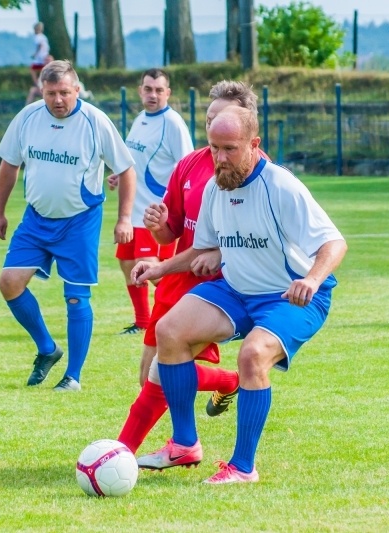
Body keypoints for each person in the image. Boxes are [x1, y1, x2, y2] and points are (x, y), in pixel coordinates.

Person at [132, 106, 347, 484]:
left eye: (230, 148)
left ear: (254, 144)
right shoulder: (216, 188)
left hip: (291, 295)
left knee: (252, 355)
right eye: (214, 148)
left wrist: (311, 280)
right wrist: (160, 267)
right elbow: (203, 249)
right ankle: (184, 445)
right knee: (169, 331)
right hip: (238, 288)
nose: (220, 158)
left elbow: (334, 242)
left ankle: (243, 467)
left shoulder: (281, 186)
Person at [117, 81, 263, 458]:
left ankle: (122, 453)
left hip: (214, 288)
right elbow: (176, 231)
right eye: (210, 115)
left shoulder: (249, 169)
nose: (213, 122)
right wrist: (158, 226)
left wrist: (220, 255)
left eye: (224, 117)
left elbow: (255, 239)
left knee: (162, 374)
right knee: (150, 372)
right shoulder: (190, 163)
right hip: (176, 277)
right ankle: (228, 383)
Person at [0, 60, 136, 391]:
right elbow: (9, 165)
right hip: (37, 218)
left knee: (75, 298)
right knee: (9, 282)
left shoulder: (95, 121)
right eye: (51, 93)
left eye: (65, 93)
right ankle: (47, 348)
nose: (58, 100)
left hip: (80, 220)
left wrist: (124, 218)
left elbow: (126, 170)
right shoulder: (27, 117)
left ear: (77, 90)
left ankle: (73, 376)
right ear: (42, 90)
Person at [109, 68, 193, 335]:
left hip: (154, 211)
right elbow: (133, 161)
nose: (153, 94)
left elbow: (188, 165)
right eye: (148, 89)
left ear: (168, 93)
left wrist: (178, 207)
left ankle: (188, 311)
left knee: (152, 270)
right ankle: (143, 321)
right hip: (132, 208)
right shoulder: (141, 119)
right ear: (140, 91)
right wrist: (119, 176)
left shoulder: (173, 124)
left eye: (159, 90)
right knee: (127, 264)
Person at [25, 22, 53, 105]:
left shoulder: (38, 37)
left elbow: (39, 46)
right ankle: (37, 83)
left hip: (41, 58)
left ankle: (36, 83)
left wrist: (35, 54)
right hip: (43, 56)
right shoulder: (44, 37)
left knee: (33, 68)